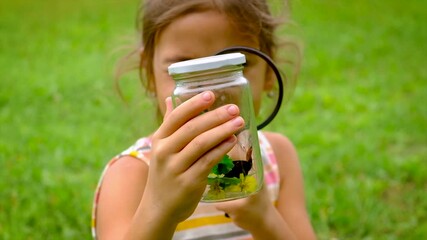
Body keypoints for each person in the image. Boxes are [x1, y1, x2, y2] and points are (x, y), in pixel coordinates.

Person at [92, 0, 316, 239]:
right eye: (185, 69)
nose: (213, 90)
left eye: (236, 66)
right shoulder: (131, 174)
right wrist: (160, 207)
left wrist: (265, 218)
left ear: (269, 71)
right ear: (148, 72)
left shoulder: (278, 157)